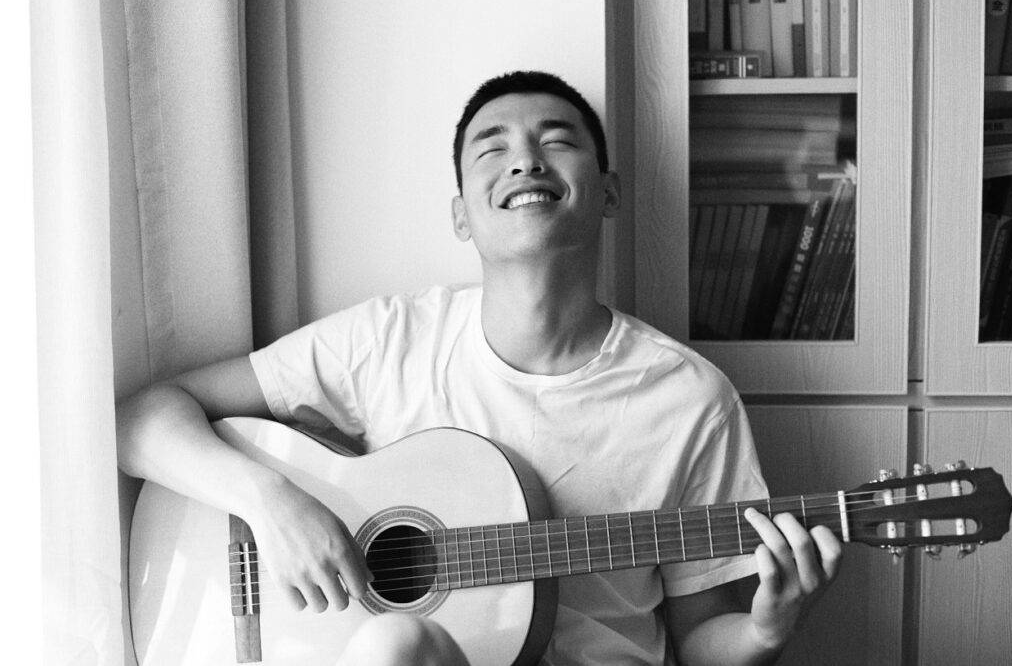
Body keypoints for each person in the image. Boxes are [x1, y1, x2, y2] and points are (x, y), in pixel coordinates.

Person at [117, 70, 842, 665]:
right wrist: (271, 503)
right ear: (462, 213)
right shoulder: (390, 341)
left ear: (610, 192)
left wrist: (766, 630)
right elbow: (141, 420)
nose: (527, 159)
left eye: (557, 140)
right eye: (493, 149)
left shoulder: (689, 398)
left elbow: (702, 638)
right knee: (397, 640)